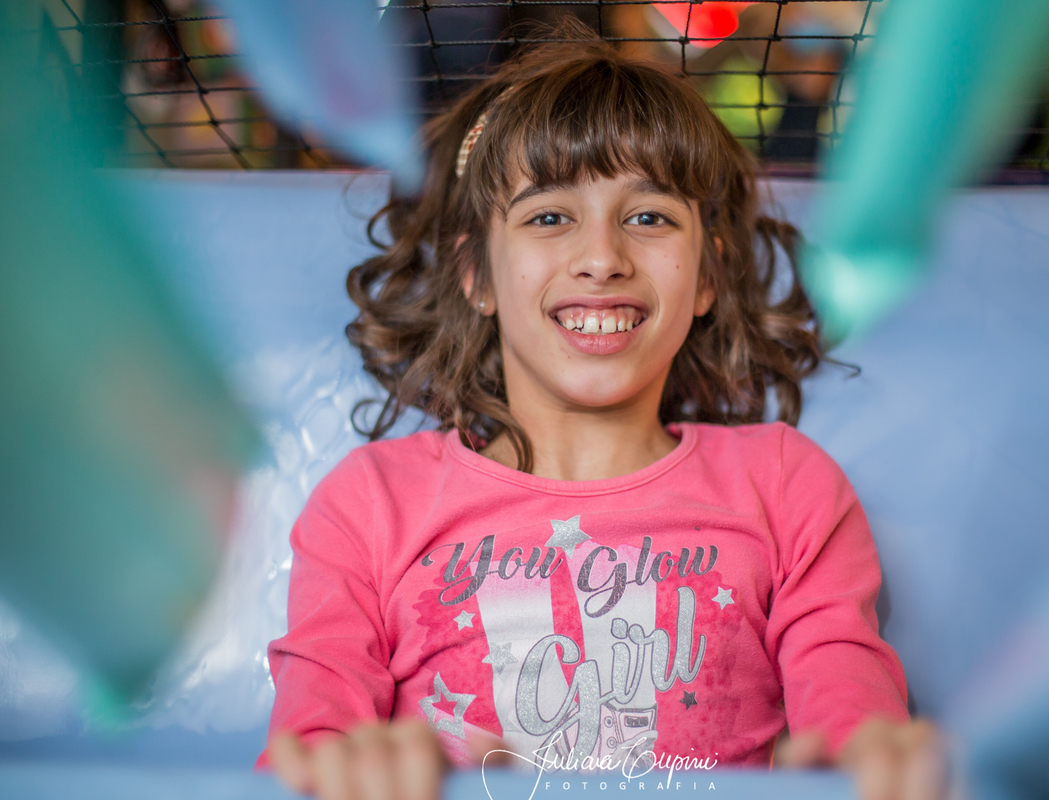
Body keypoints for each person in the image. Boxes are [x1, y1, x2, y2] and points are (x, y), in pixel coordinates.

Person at [259, 26, 944, 800]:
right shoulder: (371, 503)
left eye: (648, 218)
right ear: (476, 274)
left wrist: (866, 762)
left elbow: (855, 726)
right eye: (549, 217)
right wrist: (344, 773)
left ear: (708, 274)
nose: (602, 258)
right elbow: (306, 757)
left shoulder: (785, 485)